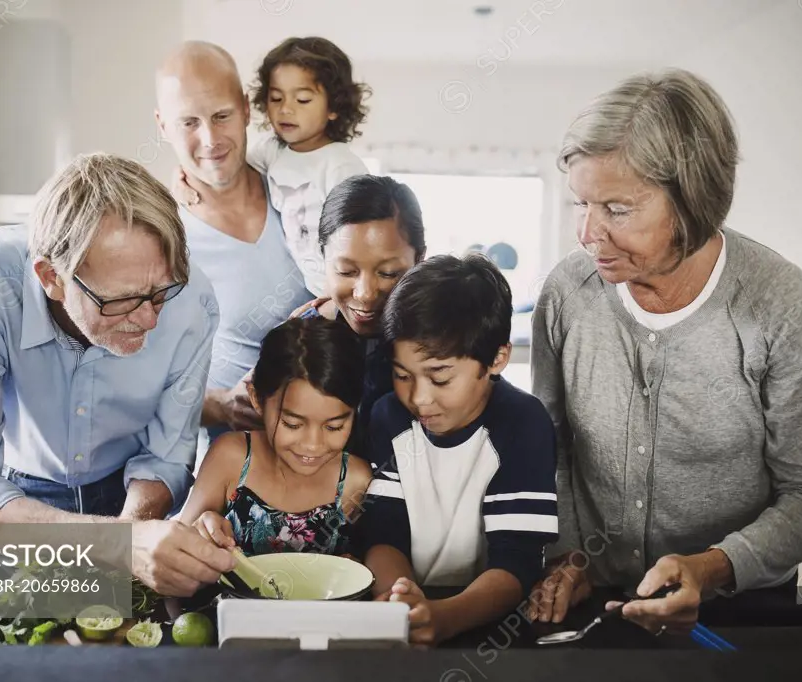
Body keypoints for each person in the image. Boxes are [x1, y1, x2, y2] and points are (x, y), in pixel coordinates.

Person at [527, 68, 802, 636]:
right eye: (582, 204)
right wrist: (570, 557)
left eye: (617, 210)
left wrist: (710, 568)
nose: (587, 234)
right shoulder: (568, 294)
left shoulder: (780, 305)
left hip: (742, 618)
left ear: (693, 198)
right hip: (595, 607)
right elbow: (553, 451)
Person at [0, 152, 236, 596]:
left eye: (159, 293)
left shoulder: (193, 301)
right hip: (19, 500)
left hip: (133, 495)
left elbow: (166, 454)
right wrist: (118, 546)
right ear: (52, 277)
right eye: (122, 301)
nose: (150, 320)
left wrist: (130, 544)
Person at [361, 254, 559, 647]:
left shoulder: (523, 424)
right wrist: (401, 598)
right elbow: (382, 534)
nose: (419, 398)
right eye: (402, 375)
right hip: (407, 614)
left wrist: (444, 617)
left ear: (497, 359)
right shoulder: (388, 416)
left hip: (489, 623)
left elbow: (516, 562)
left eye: (440, 377)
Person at [154, 41, 314, 449]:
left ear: (246, 109)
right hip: (236, 472)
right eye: (188, 122)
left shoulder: (299, 187)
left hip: (333, 456)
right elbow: (140, 387)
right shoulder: (162, 241)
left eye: (221, 116)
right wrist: (220, 405)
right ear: (162, 126)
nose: (210, 139)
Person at [175, 36, 371, 298]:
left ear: (333, 107)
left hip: (349, 294)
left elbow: (366, 241)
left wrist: (340, 296)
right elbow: (230, 169)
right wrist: (182, 177)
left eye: (302, 100)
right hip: (312, 292)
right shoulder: (272, 151)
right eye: (276, 98)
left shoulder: (340, 166)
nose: (286, 110)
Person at [178, 316, 372, 556]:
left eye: (333, 427)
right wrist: (202, 530)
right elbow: (178, 544)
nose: (313, 445)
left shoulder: (356, 480)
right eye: (292, 424)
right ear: (257, 399)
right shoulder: (232, 458)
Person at [293, 174, 427, 444]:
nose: (365, 294)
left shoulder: (445, 339)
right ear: (322, 257)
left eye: (389, 273)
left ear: (420, 260)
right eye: (346, 271)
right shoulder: (298, 337)